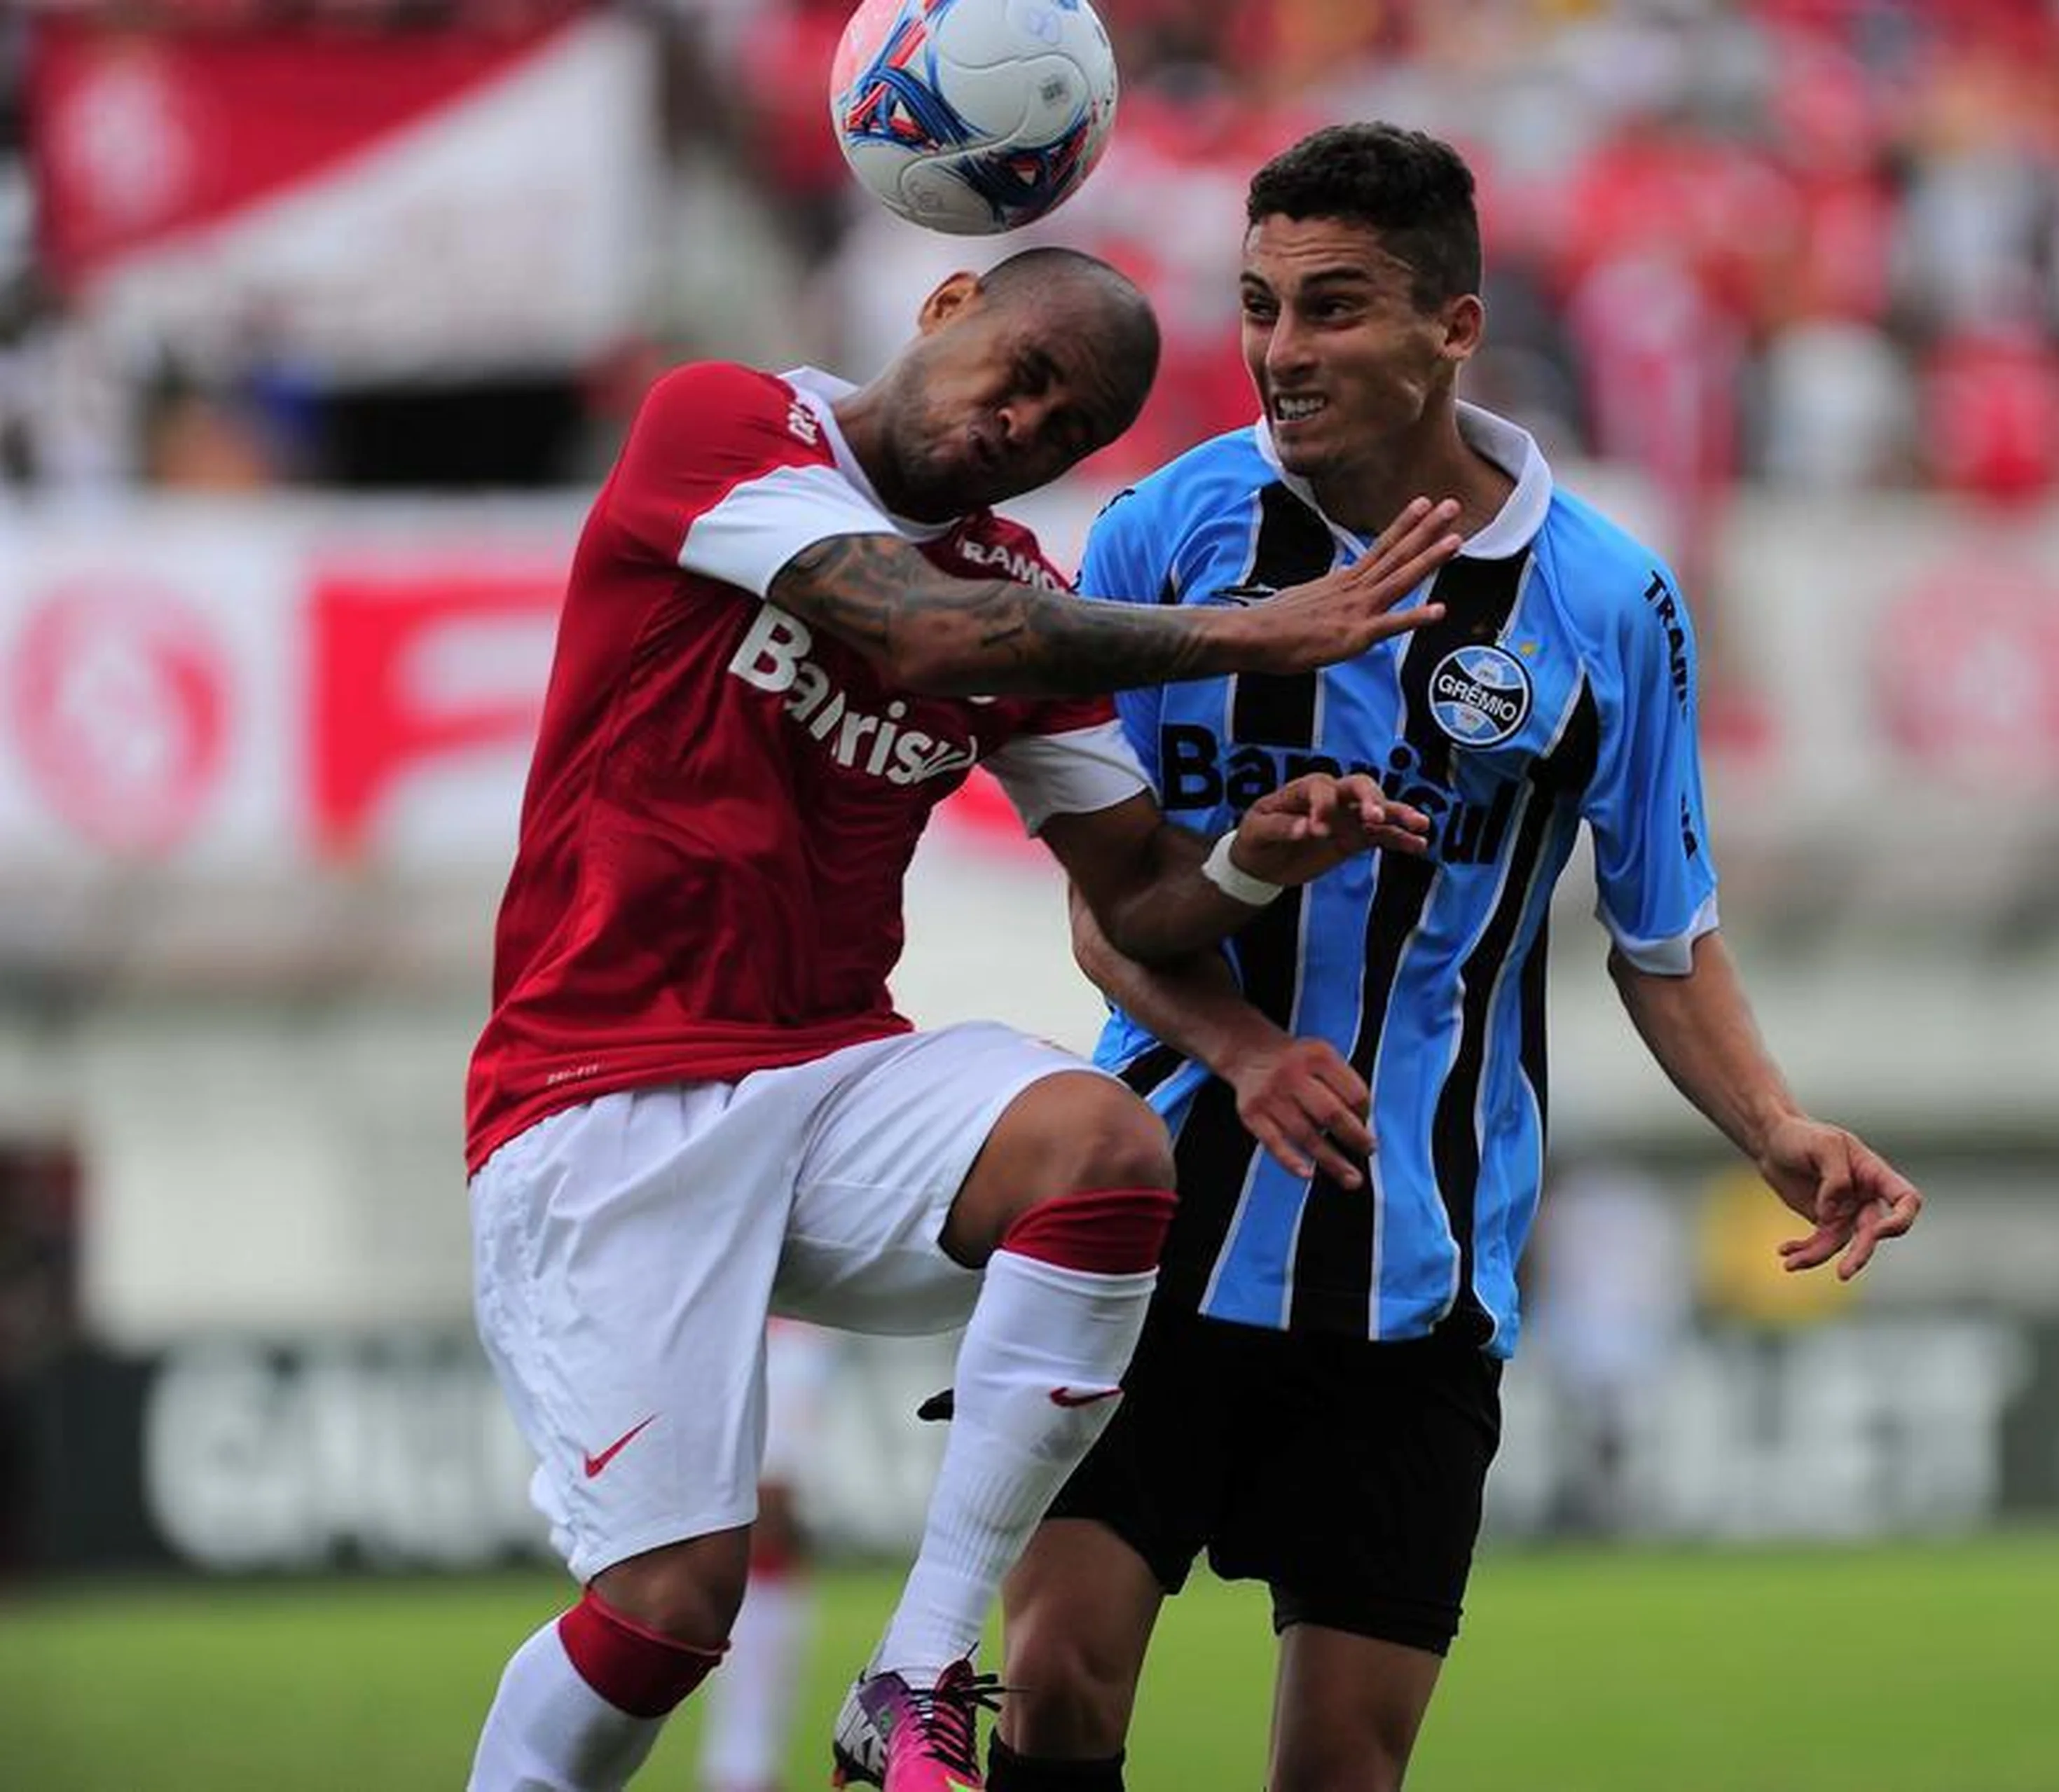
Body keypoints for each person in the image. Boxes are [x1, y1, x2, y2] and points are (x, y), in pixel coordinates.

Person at [460, 244, 1467, 1792]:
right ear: (945, 313)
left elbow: (1136, 900)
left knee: (1103, 1143)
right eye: (1025, 376)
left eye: (1070, 429)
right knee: (668, 1617)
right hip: (602, 1088)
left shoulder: (1025, 604)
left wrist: (1255, 862)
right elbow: (910, 631)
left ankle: (920, 1665)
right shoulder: (727, 425)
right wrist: (1252, 632)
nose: (1029, 426)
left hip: (829, 1074)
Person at [990, 127, 1925, 1792]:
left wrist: (1776, 1126)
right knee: (1054, 1683)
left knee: (1340, 1767)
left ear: (1452, 327)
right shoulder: (1161, 538)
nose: (1281, 352)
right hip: (1148, 1210)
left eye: (1334, 309)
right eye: (1262, 305)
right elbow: (1102, 898)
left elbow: (1663, 935)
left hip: (1415, 1260)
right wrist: (1241, 1050)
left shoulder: (1605, 602)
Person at [696, 1318, 837, 1792]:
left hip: (763, 1564)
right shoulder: (785, 1346)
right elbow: (772, 1485)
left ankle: (744, 1773)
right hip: (757, 1570)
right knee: (753, 1700)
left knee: (760, 1701)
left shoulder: (791, 1338)